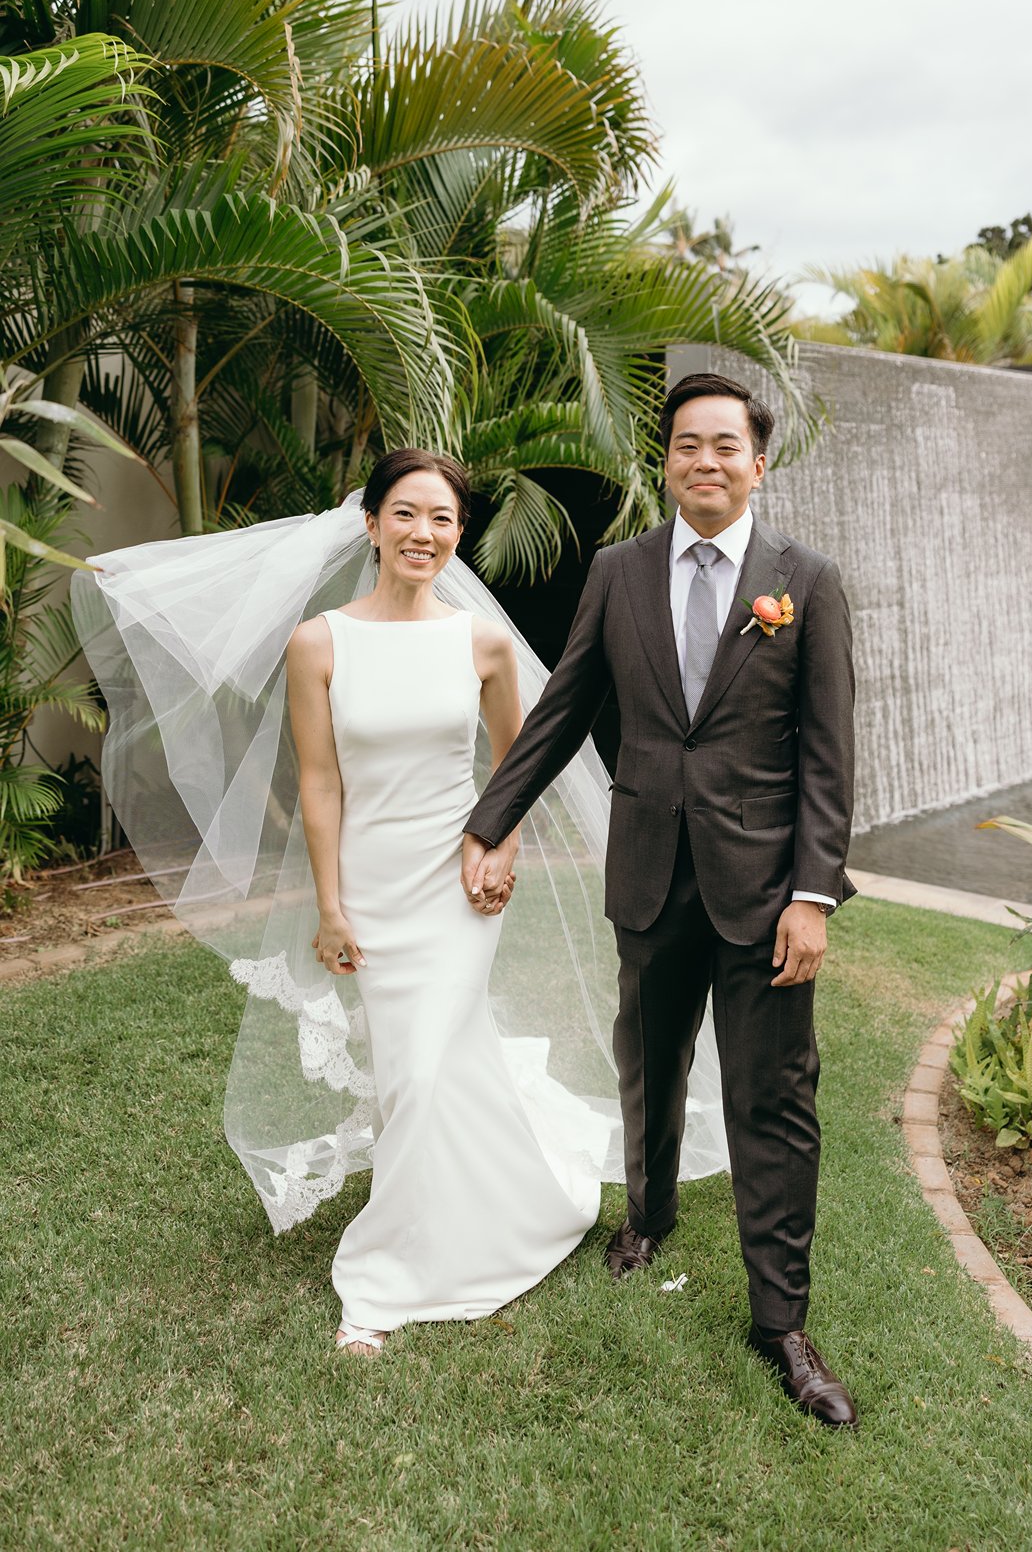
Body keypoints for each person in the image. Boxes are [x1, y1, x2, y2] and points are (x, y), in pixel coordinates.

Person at [463, 371, 859, 1426]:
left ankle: (780, 1322)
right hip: (647, 870)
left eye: (725, 446)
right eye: (687, 445)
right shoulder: (618, 572)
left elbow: (827, 758)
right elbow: (561, 709)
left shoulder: (804, 582)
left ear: (757, 464)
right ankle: (645, 1218)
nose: (705, 462)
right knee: (649, 1061)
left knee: (772, 1097)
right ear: (667, 461)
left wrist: (812, 895)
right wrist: (486, 822)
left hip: (767, 887)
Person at [283, 449, 600, 1352]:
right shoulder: (319, 642)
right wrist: (330, 905)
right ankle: (507, 1198)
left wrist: (498, 847)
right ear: (372, 523)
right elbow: (319, 784)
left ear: (459, 536)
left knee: (420, 1073)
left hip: (453, 887)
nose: (424, 534)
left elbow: (517, 767)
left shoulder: (482, 642)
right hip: (372, 888)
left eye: (443, 520)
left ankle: (379, 1287)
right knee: (414, 1075)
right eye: (407, 514)